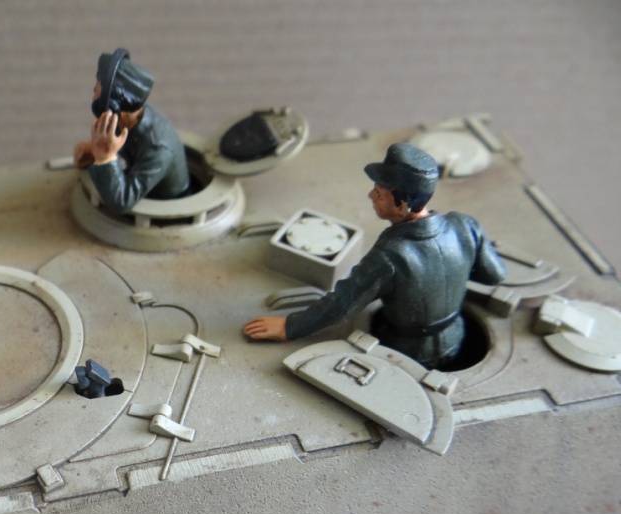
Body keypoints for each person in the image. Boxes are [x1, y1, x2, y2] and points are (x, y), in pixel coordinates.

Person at [243, 143, 507, 370]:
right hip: (457, 334)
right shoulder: (465, 225)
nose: (371, 195)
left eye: (380, 193)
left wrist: (290, 327)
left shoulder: (392, 254)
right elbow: (494, 275)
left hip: (406, 351)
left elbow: (344, 303)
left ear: (402, 205)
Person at [73, 49, 190, 213]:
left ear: (114, 105)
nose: (93, 98)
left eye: (97, 93)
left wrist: (105, 159)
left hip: (167, 210)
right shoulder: (130, 119)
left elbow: (122, 201)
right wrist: (95, 151)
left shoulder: (158, 149)